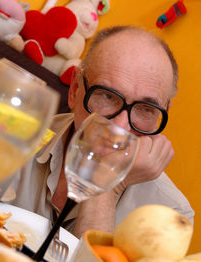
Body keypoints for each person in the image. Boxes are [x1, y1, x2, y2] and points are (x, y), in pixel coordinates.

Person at [10, 25, 194, 238]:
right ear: (75, 89)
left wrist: (106, 188)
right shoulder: (12, 132)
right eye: (107, 96)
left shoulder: (170, 213)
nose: (120, 127)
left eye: (146, 109)